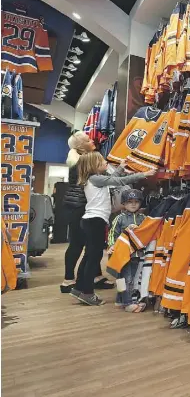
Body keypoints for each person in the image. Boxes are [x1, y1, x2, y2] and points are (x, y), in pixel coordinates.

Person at [71, 152, 155, 306]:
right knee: (93, 259)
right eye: (102, 161)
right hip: (94, 222)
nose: (105, 163)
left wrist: (121, 168)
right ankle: (88, 293)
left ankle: (79, 288)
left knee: (88, 256)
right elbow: (118, 181)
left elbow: (112, 180)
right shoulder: (95, 179)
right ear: (94, 165)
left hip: (90, 221)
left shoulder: (95, 179)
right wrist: (143, 174)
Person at [61, 132, 110, 293]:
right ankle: (68, 280)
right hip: (80, 206)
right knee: (78, 243)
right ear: (81, 146)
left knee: (91, 244)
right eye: (88, 140)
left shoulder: (80, 159)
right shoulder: (82, 161)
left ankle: (95, 276)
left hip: (80, 205)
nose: (92, 140)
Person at [107, 189, 146, 312]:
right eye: (129, 202)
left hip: (137, 254)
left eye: (136, 201)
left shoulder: (144, 218)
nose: (133, 204)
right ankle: (128, 303)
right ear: (123, 203)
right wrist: (111, 245)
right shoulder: (119, 218)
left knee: (128, 278)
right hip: (122, 254)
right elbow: (112, 233)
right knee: (126, 279)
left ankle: (120, 300)